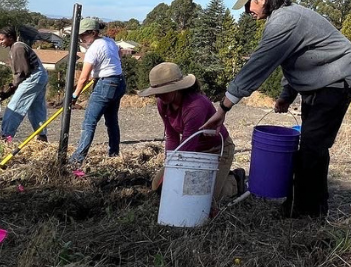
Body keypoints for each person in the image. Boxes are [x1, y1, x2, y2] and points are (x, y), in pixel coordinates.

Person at [201, 0, 351, 219]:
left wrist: (224, 107)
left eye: (248, 3)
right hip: (319, 81)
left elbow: (258, 65)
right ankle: (310, 206)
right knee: (313, 145)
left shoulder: (284, 20)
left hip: (337, 79)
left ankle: (305, 213)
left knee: (312, 147)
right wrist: (287, 95)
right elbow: (294, 60)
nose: (247, 11)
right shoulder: (283, 19)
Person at [139, 62, 246, 215]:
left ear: (176, 89)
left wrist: (173, 177)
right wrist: (169, 165)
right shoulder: (163, 103)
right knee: (157, 186)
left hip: (217, 150)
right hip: (193, 150)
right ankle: (217, 179)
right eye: (156, 92)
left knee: (203, 198)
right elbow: (172, 136)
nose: (157, 96)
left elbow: (188, 147)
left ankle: (235, 181)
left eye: (162, 91)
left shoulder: (195, 106)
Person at [68, 18, 126, 165]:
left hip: (105, 84)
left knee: (89, 122)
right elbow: (119, 54)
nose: (81, 38)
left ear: (93, 33)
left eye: (83, 35)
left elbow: (83, 78)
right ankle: (114, 154)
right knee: (112, 121)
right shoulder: (109, 41)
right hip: (119, 82)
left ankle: (77, 159)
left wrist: (74, 96)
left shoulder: (94, 49)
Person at [0, 26, 49, 142]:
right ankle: (41, 137)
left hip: (33, 78)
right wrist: (10, 89)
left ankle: (5, 136)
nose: (0, 43)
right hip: (40, 77)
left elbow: (22, 73)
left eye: (2, 39)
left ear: (10, 37)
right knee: (36, 108)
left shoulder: (18, 47)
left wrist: (9, 92)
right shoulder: (16, 47)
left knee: (15, 107)